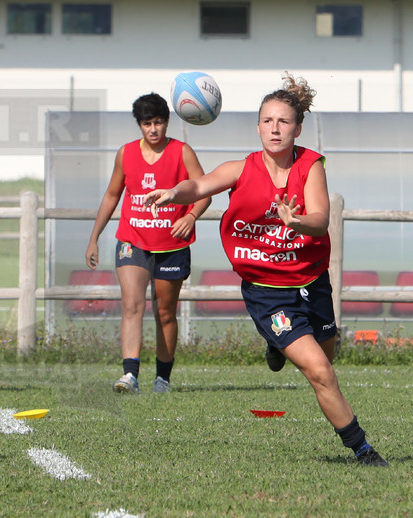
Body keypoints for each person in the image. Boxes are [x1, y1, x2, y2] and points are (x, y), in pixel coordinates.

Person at [144, 74, 388, 466]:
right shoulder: (241, 169)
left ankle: (276, 345)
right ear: (257, 127)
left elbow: (320, 220)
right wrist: (175, 192)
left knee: (327, 356)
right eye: (267, 121)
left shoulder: (310, 166)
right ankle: (363, 449)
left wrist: (296, 222)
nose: (275, 128)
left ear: (297, 128)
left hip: (311, 282)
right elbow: (199, 186)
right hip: (267, 292)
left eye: (283, 121)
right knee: (320, 372)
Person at [86, 93, 210, 394]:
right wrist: (94, 238)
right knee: (131, 305)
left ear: (167, 122)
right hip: (133, 240)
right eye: (146, 124)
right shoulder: (126, 153)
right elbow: (112, 195)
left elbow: (204, 191)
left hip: (171, 245)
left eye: (158, 122)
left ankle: (162, 379)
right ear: (139, 125)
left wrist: (191, 216)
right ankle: (129, 375)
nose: (153, 129)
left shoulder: (182, 152)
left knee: (165, 312)